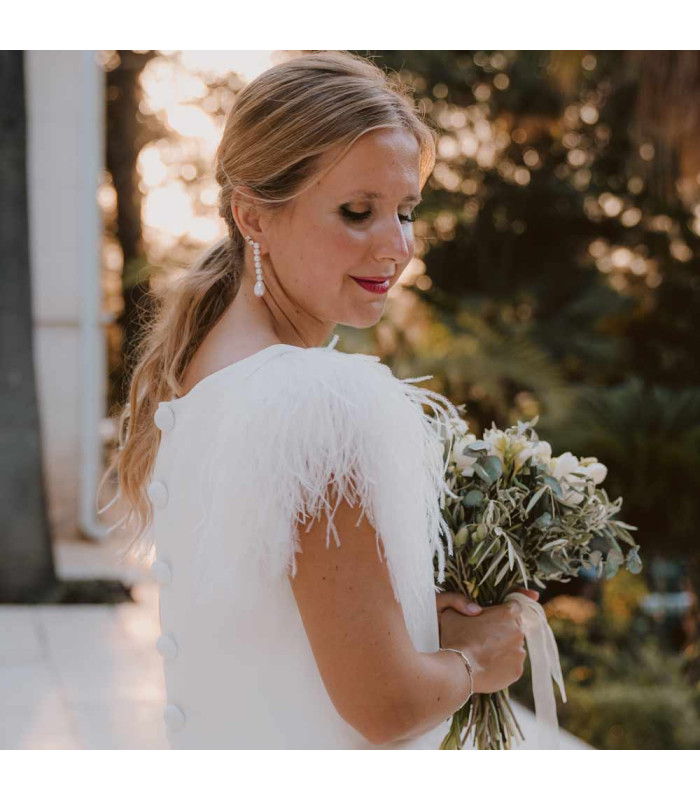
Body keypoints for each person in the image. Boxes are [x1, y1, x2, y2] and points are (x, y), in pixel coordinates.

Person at [101, 50, 536, 749]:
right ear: (254, 217)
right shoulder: (318, 401)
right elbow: (386, 705)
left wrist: (409, 617)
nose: (395, 246)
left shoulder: (201, 373)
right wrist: (478, 658)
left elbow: (267, 615)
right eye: (358, 212)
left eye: (406, 211)